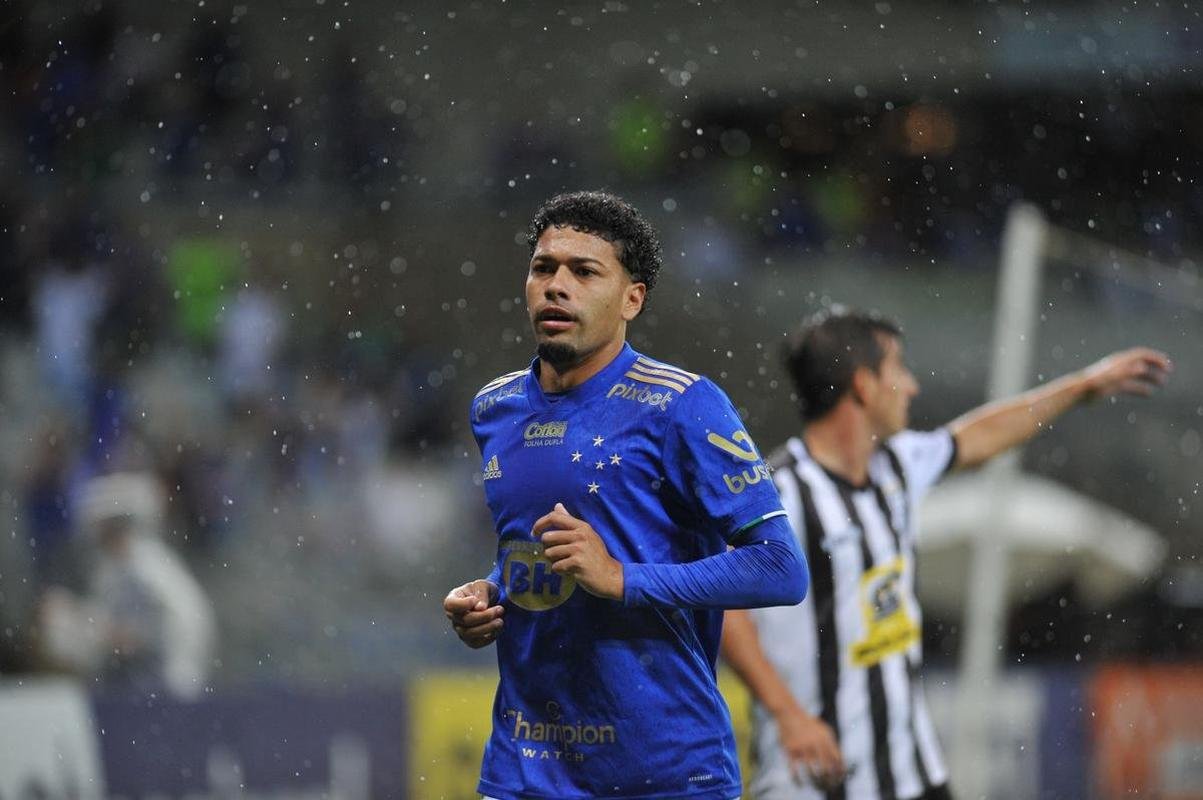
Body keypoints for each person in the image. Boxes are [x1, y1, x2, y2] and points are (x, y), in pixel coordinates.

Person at [443, 191, 810, 800]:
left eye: (584, 272)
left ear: (631, 299)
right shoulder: (494, 407)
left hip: (663, 772)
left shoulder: (683, 405)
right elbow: (531, 548)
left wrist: (623, 579)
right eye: (544, 268)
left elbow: (780, 568)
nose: (556, 286)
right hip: (524, 767)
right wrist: (490, 595)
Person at [721, 307, 1171, 800]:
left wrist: (1081, 387)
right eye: (898, 369)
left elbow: (977, 436)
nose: (910, 386)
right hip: (812, 777)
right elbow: (727, 612)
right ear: (863, 386)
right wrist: (789, 715)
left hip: (911, 771)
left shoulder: (896, 465)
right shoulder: (779, 495)